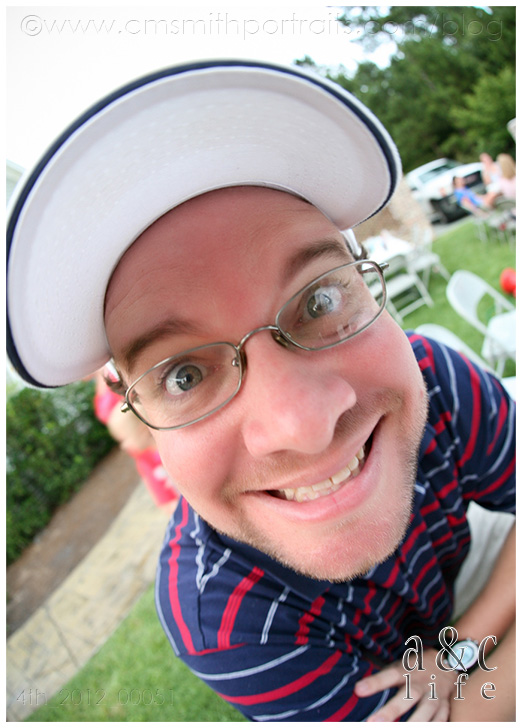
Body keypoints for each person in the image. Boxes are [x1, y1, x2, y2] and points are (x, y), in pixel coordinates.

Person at [7, 60, 515, 722]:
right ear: (137, 415)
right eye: (184, 375)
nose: (303, 426)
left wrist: (462, 649)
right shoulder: (220, 618)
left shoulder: (435, 379)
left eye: (320, 299)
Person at [93, 367, 178, 512]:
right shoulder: (147, 462)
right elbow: (163, 500)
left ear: (142, 429)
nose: (122, 447)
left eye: (123, 440)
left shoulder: (171, 447)